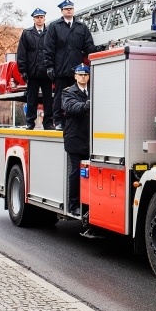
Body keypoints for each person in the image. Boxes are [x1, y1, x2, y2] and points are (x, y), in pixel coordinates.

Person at [43, 0, 101, 130]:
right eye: (66, 9)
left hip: (76, 68)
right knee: (60, 94)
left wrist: (99, 49)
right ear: (62, 11)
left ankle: (74, 120)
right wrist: (49, 66)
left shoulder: (81, 27)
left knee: (78, 94)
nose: (69, 11)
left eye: (71, 9)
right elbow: (48, 47)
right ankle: (58, 120)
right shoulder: (54, 26)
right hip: (60, 67)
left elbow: (88, 46)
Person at [61, 65, 96, 235]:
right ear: (75, 76)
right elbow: (71, 107)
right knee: (76, 172)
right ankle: (74, 205)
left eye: (85, 75)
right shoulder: (68, 92)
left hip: (90, 139)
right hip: (75, 138)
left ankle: (87, 203)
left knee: (90, 174)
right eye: (80, 74)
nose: (83, 77)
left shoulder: (94, 90)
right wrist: (87, 104)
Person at [16, 8, 53, 130]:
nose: (39, 19)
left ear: (44, 18)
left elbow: (54, 51)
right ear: (33, 19)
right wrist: (23, 70)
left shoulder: (50, 32)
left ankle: (48, 123)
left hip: (47, 72)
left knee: (48, 99)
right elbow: (21, 53)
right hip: (33, 71)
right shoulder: (27, 33)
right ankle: (30, 122)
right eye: (37, 17)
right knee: (31, 98)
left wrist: (52, 67)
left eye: (41, 17)